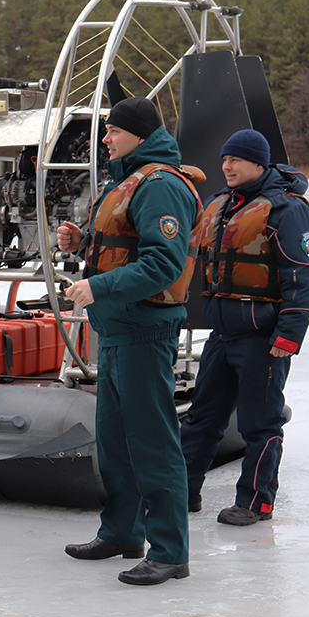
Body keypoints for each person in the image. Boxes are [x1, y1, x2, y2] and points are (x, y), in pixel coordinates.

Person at [56, 96, 203, 586]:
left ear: (138, 134)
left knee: (153, 443)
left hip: (144, 330)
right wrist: (84, 243)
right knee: (117, 443)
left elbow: (163, 263)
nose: (105, 139)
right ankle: (122, 531)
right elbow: (128, 248)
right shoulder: (128, 181)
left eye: (113, 131)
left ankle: (170, 551)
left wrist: (97, 286)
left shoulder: (160, 186)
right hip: (117, 329)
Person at [181, 129, 309, 526]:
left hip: (264, 338)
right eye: (225, 159)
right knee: (203, 418)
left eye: (236, 160)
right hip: (222, 334)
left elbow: (303, 276)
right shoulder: (218, 204)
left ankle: (256, 502)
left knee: (261, 423)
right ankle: (184, 492)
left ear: (260, 164)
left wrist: (289, 337)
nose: (227, 166)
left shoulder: (288, 209)